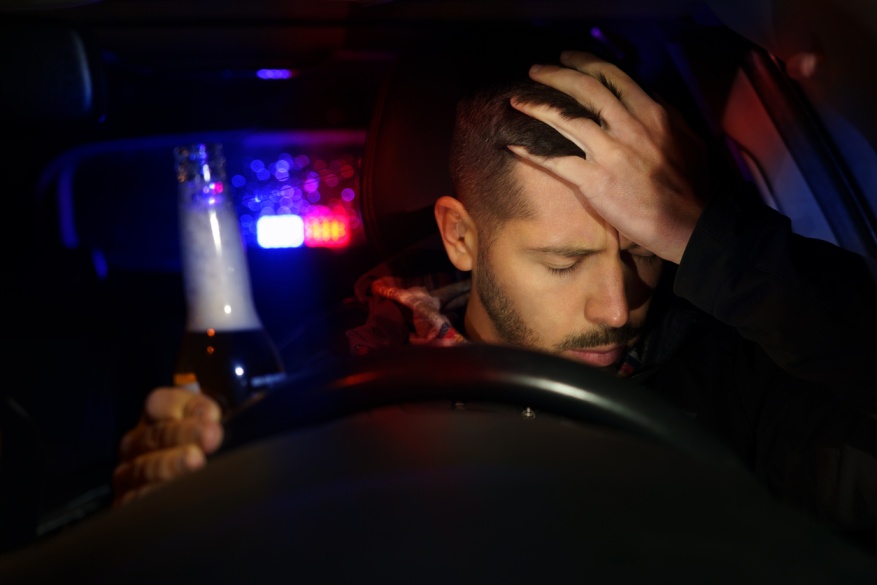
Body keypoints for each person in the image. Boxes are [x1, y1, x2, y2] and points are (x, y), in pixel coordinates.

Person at [112, 48, 877, 540]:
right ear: (461, 237)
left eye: (647, 253)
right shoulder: (327, 385)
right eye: (561, 261)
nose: (617, 306)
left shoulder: (740, 375)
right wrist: (165, 511)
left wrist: (708, 238)